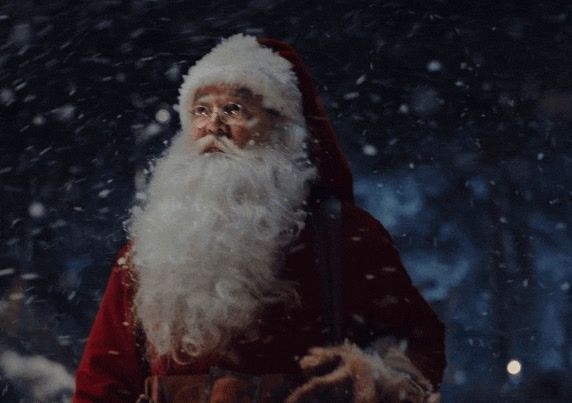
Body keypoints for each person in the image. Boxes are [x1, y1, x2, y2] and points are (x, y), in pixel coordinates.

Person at [73, 34, 446, 403]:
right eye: (201, 110)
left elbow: (416, 345)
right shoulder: (149, 254)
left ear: (283, 130)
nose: (213, 126)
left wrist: (378, 378)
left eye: (234, 109)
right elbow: (102, 386)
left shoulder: (345, 237)